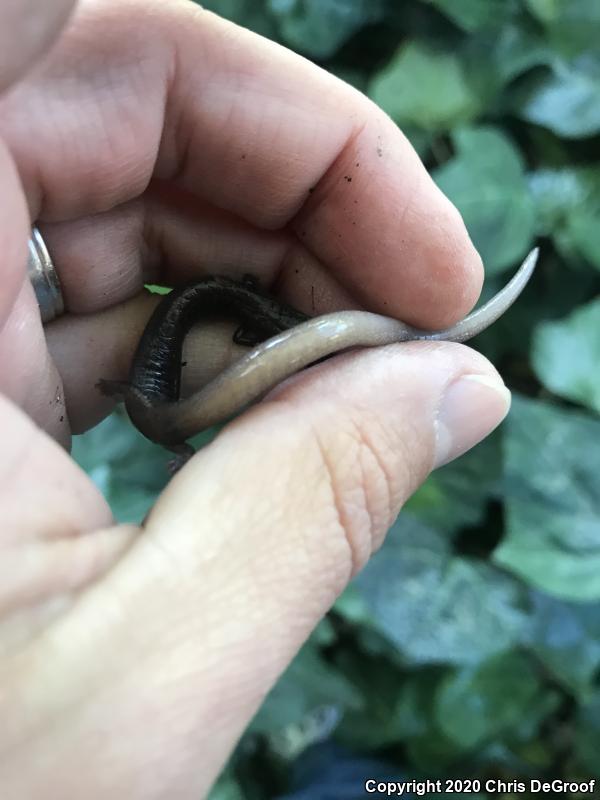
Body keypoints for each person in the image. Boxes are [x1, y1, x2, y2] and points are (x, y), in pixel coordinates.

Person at [0, 0, 511, 795]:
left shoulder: (191, 359)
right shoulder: (202, 355)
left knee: (232, 331)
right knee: (245, 331)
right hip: (173, 373)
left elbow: (230, 332)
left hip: (173, 371)